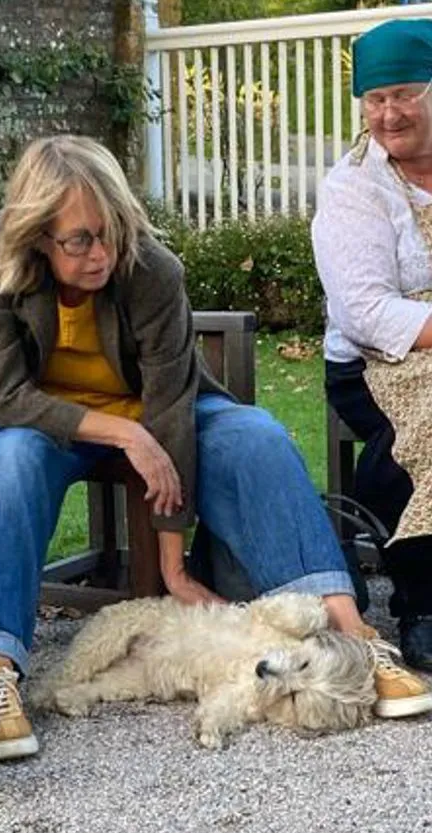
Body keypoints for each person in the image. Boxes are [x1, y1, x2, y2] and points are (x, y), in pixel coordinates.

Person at [0, 134, 432, 763]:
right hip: (49, 422)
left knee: (255, 434)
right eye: (81, 240)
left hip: (160, 410)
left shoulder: (150, 267)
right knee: (14, 458)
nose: (102, 253)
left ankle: (354, 635)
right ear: (40, 234)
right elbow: (5, 394)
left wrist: (175, 568)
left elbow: (170, 409)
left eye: (113, 233)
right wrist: (124, 433)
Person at [314, 18, 432, 674]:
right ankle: (422, 599)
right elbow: (362, 310)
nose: (389, 113)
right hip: (372, 362)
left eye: (406, 94)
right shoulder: (353, 186)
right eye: (376, 98)